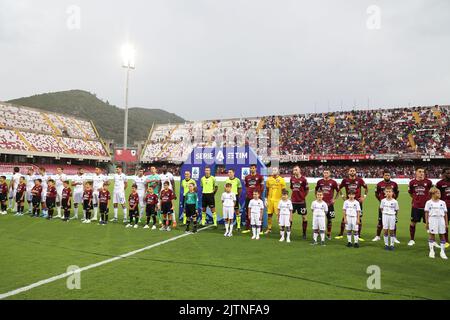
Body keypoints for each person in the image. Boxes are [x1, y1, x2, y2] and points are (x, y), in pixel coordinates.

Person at [336, 168, 368, 241]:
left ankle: (358, 235)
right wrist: (342, 196)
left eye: (353, 171)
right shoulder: (345, 180)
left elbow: (366, 188)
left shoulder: (360, 180)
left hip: (358, 202)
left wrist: (364, 197)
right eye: (351, 171)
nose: (352, 172)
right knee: (344, 217)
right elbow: (339, 188)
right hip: (348, 202)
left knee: (359, 217)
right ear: (348, 172)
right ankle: (341, 234)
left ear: (356, 172)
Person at [408, 168, 433, 246]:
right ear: (416, 172)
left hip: (427, 207)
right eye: (420, 172)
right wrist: (416, 199)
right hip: (416, 206)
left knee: (430, 224)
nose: (421, 173)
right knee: (413, 223)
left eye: (423, 172)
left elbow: (432, 192)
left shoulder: (428, 182)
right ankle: (412, 239)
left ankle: (432, 240)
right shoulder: (412, 182)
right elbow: (411, 193)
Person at [373, 170, 400, 243]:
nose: (387, 176)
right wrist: (381, 200)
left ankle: (394, 237)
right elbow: (376, 194)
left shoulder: (394, 184)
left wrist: (393, 200)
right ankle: (378, 236)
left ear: (390, 176)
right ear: (383, 175)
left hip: (391, 206)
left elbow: (397, 193)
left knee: (393, 222)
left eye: (388, 175)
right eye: (385, 175)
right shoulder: (379, 184)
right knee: (380, 221)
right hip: (383, 205)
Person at [315, 169, 339, 240]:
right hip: (321, 204)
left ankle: (328, 233)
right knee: (319, 218)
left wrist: (334, 199)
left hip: (329, 204)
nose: (325, 174)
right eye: (324, 172)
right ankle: (319, 231)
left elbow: (338, 191)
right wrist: (316, 198)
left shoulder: (333, 182)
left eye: (327, 173)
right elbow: (316, 190)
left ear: (330, 173)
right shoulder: (320, 181)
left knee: (329, 219)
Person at [425, 187, 448, 259]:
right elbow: (426, 213)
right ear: (433, 194)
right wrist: (427, 222)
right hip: (432, 219)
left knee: (442, 235)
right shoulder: (429, 202)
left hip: (441, 219)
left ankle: (442, 251)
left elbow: (445, 213)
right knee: (432, 235)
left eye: (440, 193)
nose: (439, 194)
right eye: (438, 193)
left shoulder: (443, 202)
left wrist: (446, 223)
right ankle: (432, 251)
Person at [264, 167, 286, 235]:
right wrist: (265, 199)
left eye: (275, 170)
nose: (274, 171)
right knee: (269, 214)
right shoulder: (269, 179)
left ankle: (281, 229)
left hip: (278, 200)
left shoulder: (281, 180)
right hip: (270, 200)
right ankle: (269, 228)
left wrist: (284, 199)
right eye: (273, 170)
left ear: (278, 171)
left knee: (278, 215)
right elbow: (266, 190)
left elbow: (284, 191)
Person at [243, 164, 264, 234]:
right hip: (249, 197)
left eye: (253, 168)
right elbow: (246, 186)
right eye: (251, 168)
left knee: (259, 213)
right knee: (247, 213)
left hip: (257, 198)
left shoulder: (260, 177)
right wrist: (248, 193)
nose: (252, 169)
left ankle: (260, 229)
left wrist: (259, 195)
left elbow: (262, 186)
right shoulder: (247, 177)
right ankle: (248, 228)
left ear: (255, 169)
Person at [290, 166, 309, 239]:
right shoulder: (292, 178)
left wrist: (303, 196)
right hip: (293, 201)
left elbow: (307, 189)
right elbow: (292, 188)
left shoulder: (304, 179)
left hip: (301, 202)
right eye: (294, 170)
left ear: (299, 170)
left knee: (304, 217)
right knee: (290, 217)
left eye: (296, 169)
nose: (294, 171)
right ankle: (289, 232)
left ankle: (304, 234)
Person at [380, 186, 400, 251]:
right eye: (387, 192)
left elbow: (396, 210)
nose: (388, 193)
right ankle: (386, 244)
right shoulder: (383, 201)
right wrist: (384, 213)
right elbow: (381, 208)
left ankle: (392, 245)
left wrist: (395, 217)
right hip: (385, 216)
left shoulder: (395, 201)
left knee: (391, 231)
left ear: (392, 193)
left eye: (390, 192)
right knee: (385, 230)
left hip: (392, 216)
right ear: (385, 193)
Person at [436, 168, 450, 248]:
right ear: (444, 174)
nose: (449, 174)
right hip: (445, 207)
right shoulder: (439, 184)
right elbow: (437, 195)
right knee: (445, 224)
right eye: (447, 173)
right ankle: (446, 241)